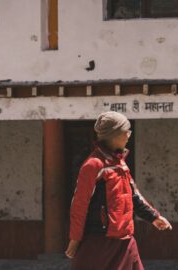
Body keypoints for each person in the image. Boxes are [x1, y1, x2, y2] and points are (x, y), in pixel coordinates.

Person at [65, 111, 172, 270]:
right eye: (126, 131)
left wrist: (153, 217)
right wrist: (75, 239)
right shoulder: (93, 165)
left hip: (125, 240)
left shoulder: (121, 164)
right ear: (114, 135)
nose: (129, 136)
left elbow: (133, 195)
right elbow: (79, 205)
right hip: (99, 242)